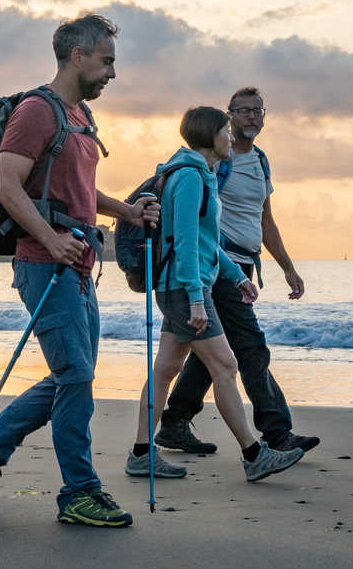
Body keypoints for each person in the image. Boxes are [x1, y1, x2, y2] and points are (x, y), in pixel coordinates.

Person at [0, 14, 158, 528]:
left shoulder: (81, 116)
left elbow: (82, 195)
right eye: (106, 60)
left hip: (78, 265)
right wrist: (50, 239)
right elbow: (7, 186)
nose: (112, 72)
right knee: (76, 377)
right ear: (76, 56)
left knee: (74, 376)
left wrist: (128, 212)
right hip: (44, 265)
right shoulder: (36, 112)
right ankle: (79, 492)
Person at [128, 106, 304, 483]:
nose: (231, 138)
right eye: (226, 131)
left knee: (164, 371)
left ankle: (142, 454)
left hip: (181, 285)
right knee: (224, 366)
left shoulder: (194, 173)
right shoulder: (191, 178)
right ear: (211, 136)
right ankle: (254, 454)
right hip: (184, 287)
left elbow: (208, 243)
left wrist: (236, 276)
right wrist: (195, 297)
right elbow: (187, 243)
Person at [155, 87, 320, 455]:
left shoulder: (260, 161)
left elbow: (265, 219)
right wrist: (211, 274)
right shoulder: (216, 164)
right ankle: (276, 431)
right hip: (217, 267)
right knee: (250, 347)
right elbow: (193, 224)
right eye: (243, 111)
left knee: (211, 351)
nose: (251, 116)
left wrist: (288, 268)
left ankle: (175, 422)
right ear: (229, 117)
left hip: (243, 265)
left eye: (258, 110)